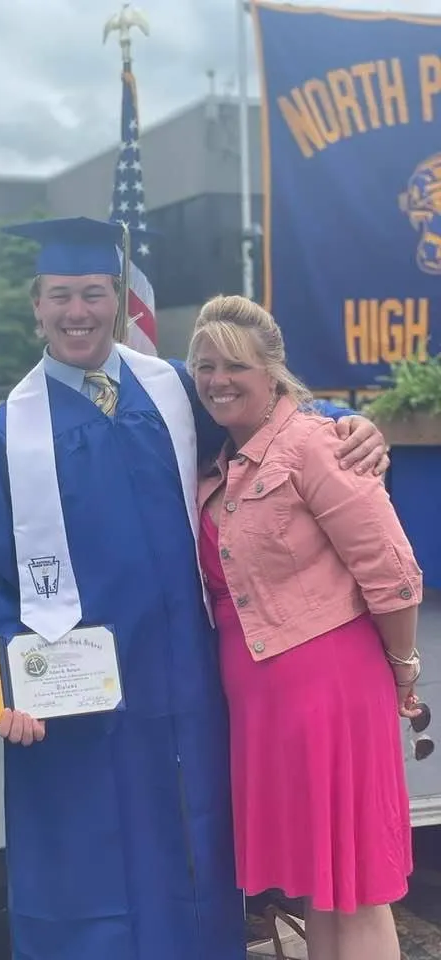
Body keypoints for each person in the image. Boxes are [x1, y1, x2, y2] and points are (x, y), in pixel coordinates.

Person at [0, 217, 389, 960]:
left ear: (118, 298)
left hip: (188, 688)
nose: (77, 311)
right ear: (36, 304)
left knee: (196, 855)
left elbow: (267, 420)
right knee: (90, 866)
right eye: (61, 296)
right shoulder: (3, 436)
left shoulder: (174, 392)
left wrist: (348, 424)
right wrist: (3, 682)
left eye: (93, 293)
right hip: (77, 707)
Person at [191, 295, 422, 960]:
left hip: (331, 694)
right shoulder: (222, 458)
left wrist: (403, 668)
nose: (217, 379)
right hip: (265, 704)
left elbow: (394, 572)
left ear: (272, 371)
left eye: (235, 364)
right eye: (204, 365)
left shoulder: (317, 444)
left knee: (355, 890)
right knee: (321, 888)